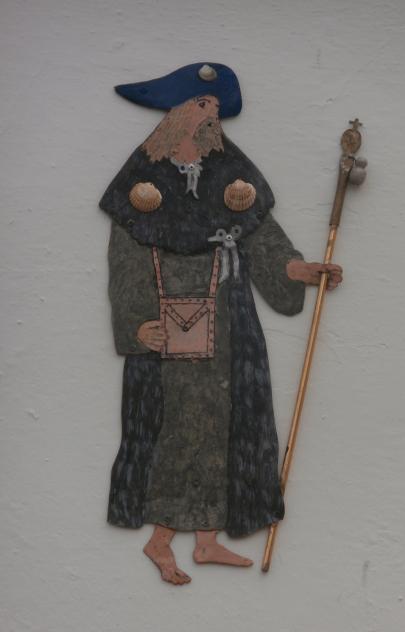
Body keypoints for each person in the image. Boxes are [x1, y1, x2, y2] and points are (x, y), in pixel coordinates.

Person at [99, 63, 342, 585]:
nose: (210, 116)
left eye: (215, 108)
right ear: (176, 110)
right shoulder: (142, 179)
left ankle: (207, 541)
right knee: (175, 427)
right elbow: (126, 257)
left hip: (229, 321)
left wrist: (298, 270)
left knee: (227, 424)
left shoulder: (230, 173)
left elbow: (262, 238)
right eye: (201, 105)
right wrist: (137, 325)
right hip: (167, 324)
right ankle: (161, 540)